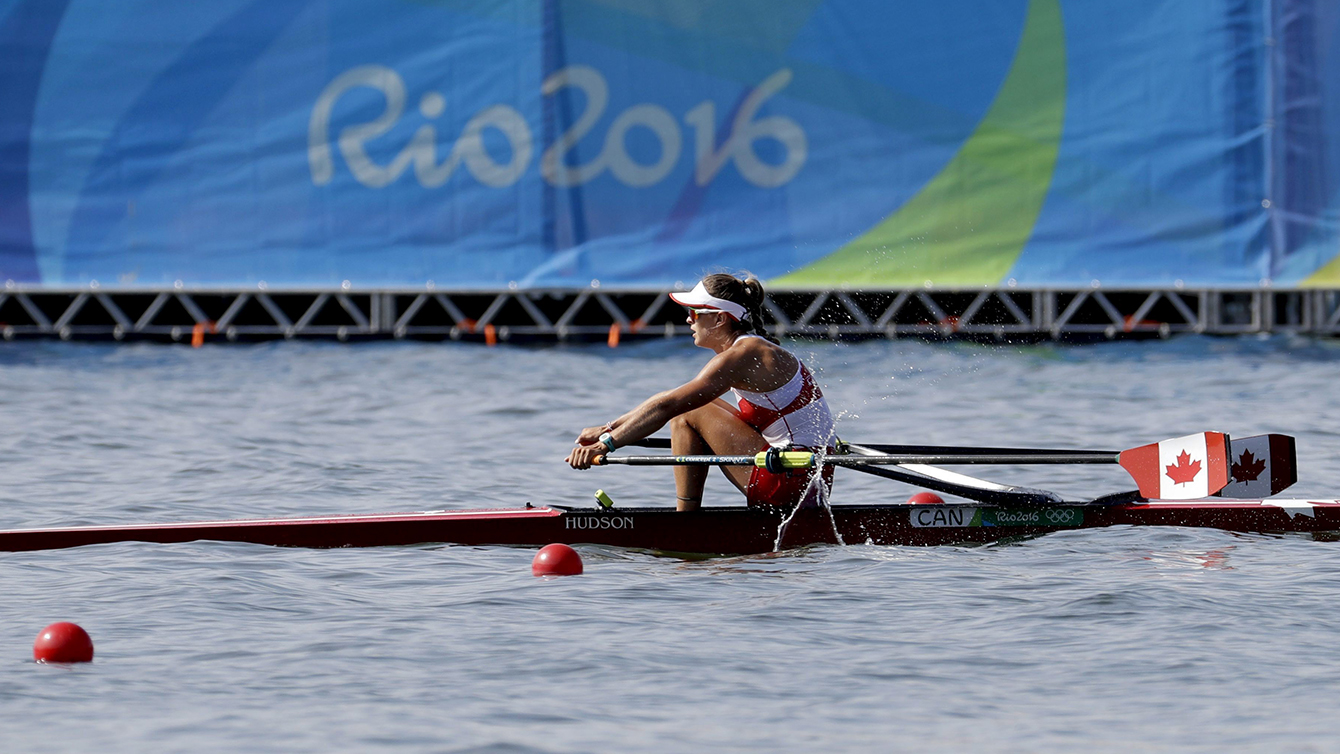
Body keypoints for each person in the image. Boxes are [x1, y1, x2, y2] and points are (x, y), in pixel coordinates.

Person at [565, 273, 836, 511]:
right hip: (803, 477)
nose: (688, 319)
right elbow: (668, 400)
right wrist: (608, 427)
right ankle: (687, 519)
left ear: (719, 318)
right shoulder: (750, 349)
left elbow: (668, 406)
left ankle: (684, 523)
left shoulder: (742, 355)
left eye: (695, 312)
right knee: (691, 406)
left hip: (791, 481)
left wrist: (605, 444)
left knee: (688, 411)